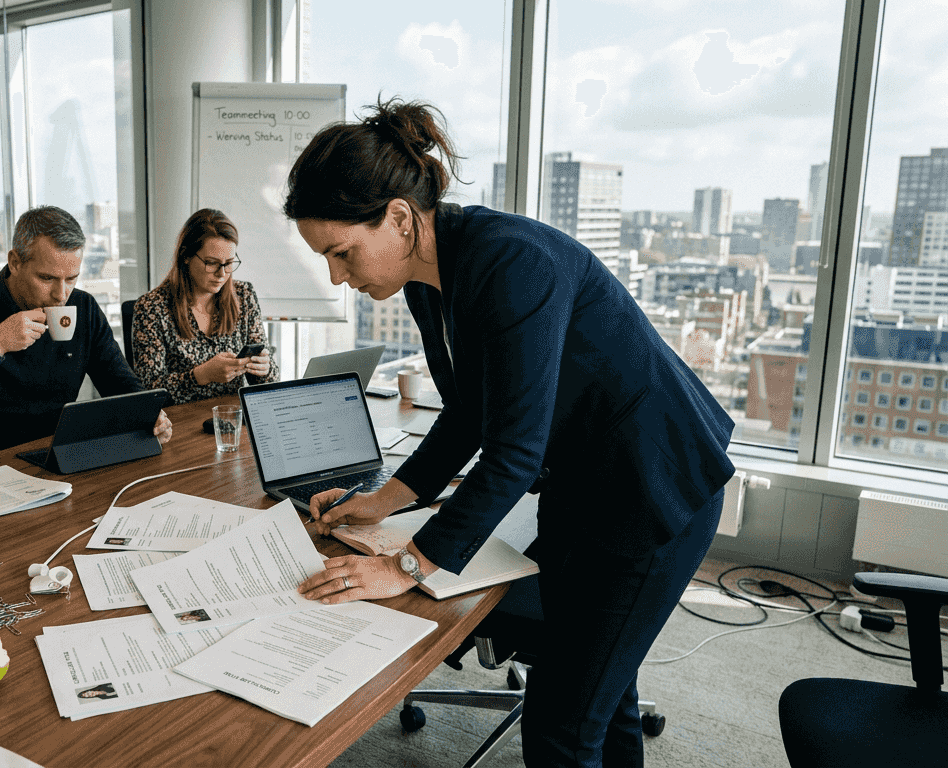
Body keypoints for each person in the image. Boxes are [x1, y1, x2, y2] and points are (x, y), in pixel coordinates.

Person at [285, 99, 735, 768]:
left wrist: (404, 566)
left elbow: (515, 449)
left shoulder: (510, 261)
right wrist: (383, 501)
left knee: (561, 724)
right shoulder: (427, 279)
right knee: (604, 702)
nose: (336, 276)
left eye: (341, 252)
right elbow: (469, 411)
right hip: (585, 487)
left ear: (400, 219)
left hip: (653, 487)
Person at [0, 205, 171, 468]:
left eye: (71, 278)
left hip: (53, 459)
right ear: (15, 262)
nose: (61, 294)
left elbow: (121, 383)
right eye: (46, 278)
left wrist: (149, 415)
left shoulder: (84, 308)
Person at [130, 208, 276, 404]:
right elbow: (149, 392)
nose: (222, 274)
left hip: (231, 417)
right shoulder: (151, 308)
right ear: (186, 256)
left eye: (229, 263)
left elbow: (270, 383)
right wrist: (201, 375)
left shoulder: (244, 295)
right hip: (180, 424)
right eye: (211, 263)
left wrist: (264, 369)